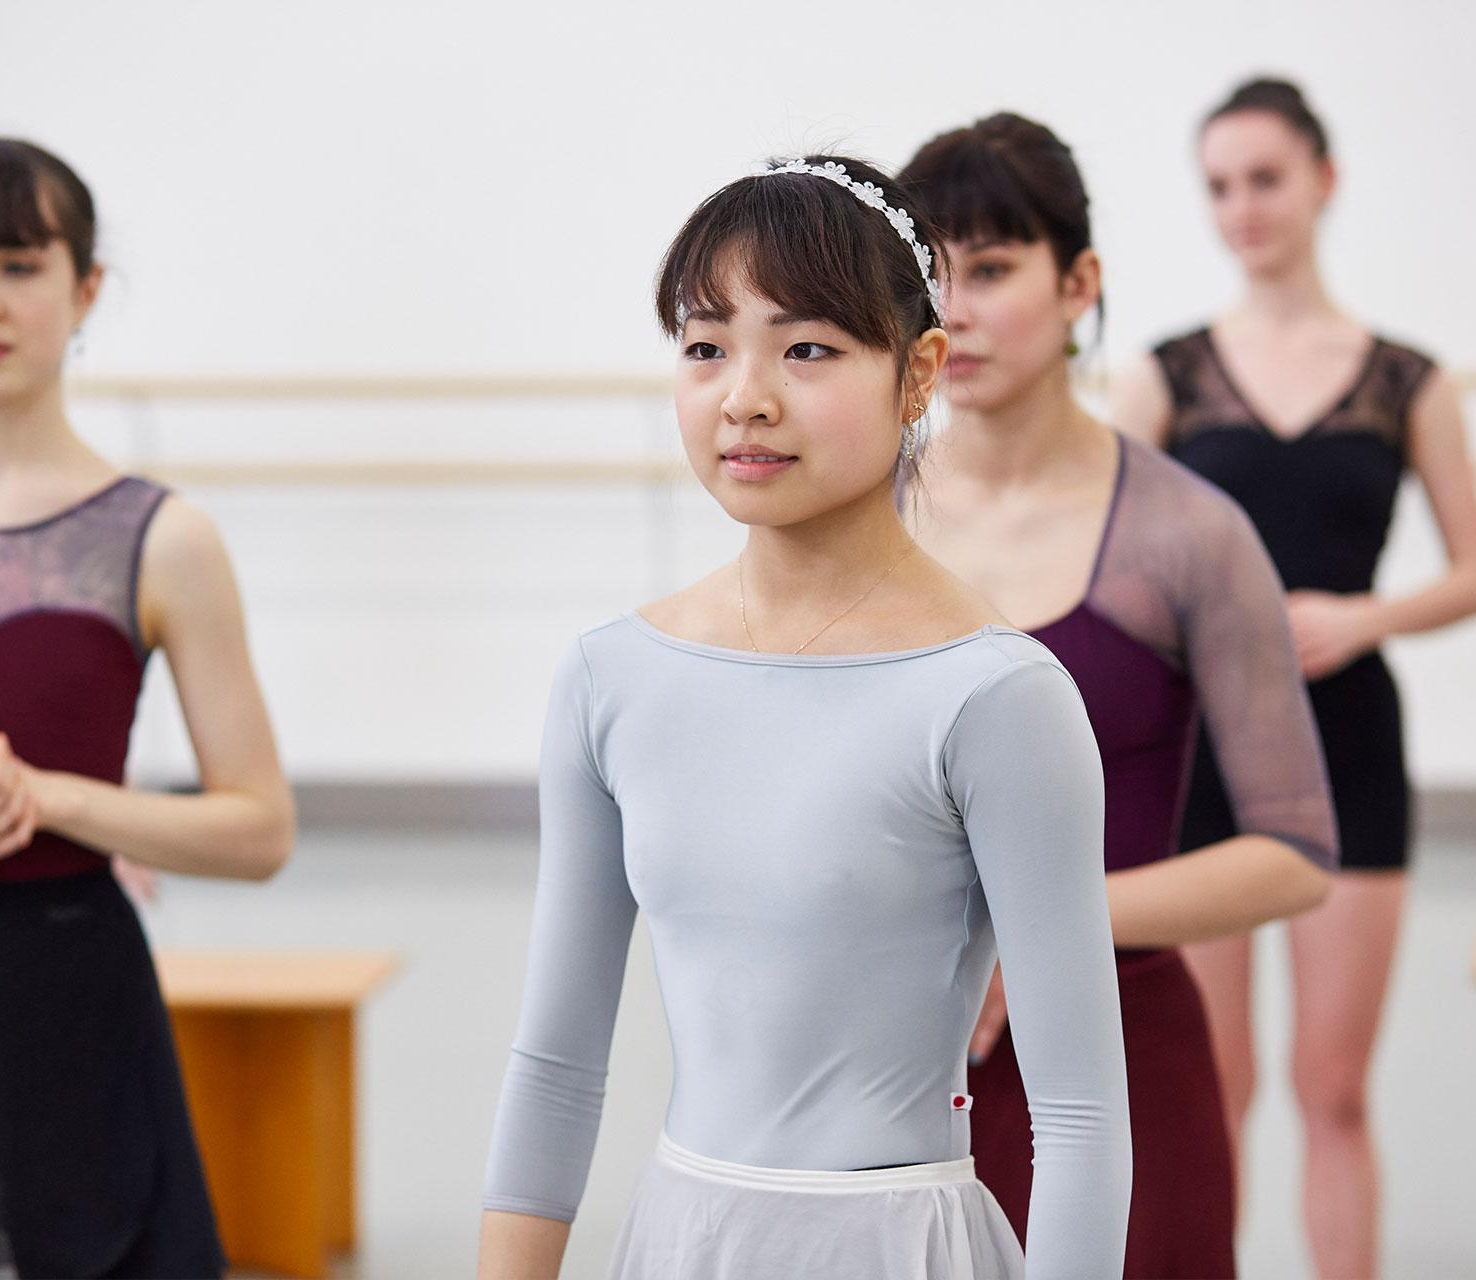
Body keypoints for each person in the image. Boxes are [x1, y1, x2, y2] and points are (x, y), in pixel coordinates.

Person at [479, 155, 1131, 1280]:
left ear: (919, 371)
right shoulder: (610, 675)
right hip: (686, 1238)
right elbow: (555, 1061)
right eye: (705, 345)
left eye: (808, 347)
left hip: (901, 1245)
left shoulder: (996, 695)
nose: (746, 395)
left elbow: (1077, 1121)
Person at [0, 137, 295, 1278]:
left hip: (78, 989)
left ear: (84, 288)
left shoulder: (163, 535)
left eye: (19, 266)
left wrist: (48, 795)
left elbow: (259, 828)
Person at [902, 112, 1335, 1278]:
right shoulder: (859, 518)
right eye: (929, 276)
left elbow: (1296, 848)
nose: (958, 310)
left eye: (992, 270)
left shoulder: (1188, 532)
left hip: (1122, 1043)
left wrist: (1044, 929)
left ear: (1079, 280)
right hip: (890, 1058)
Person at [1111, 78, 1476, 1278]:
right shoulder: (1167, 373)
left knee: (1331, 1087)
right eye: (1219, 186)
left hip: (1350, 737)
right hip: (1209, 751)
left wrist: (1361, 615)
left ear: (1324, 181)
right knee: (1212, 1084)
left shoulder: (1406, 378)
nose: (1242, 208)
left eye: (1265, 179)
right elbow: (1104, 557)